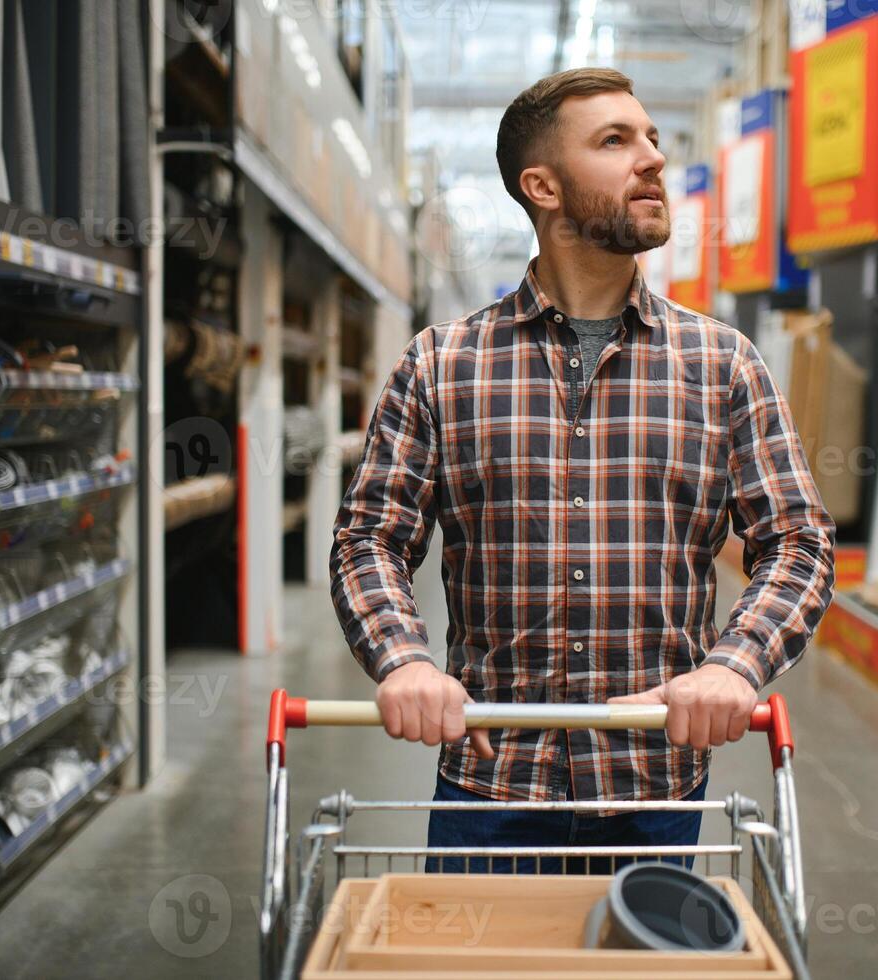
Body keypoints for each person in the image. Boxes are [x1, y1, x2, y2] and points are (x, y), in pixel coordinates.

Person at [330, 68, 835, 873]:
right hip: (491, 789)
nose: (653, 160)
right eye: (615, 141)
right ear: (542, 187)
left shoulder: (721, 364)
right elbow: (369, 541)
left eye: (652, 139)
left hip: (653, 786)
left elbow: (797, 543)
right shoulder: (440, 364)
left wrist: (731, 666)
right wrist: (405, 658)